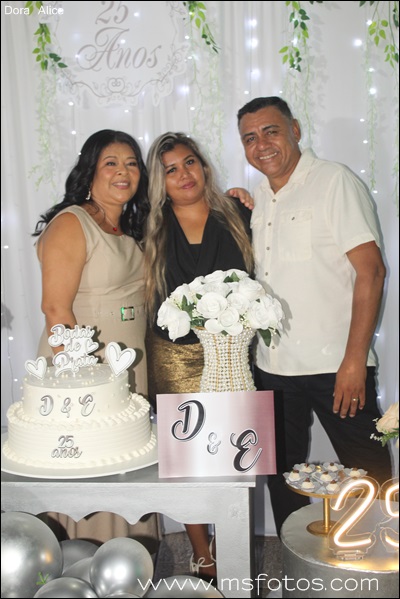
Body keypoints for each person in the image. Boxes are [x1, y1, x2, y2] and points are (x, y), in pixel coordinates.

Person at [236, 96, 393, 536]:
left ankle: (385, 554)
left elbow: (371, 271)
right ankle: (293, 560)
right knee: (281, 474)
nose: (262, 145)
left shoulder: (333, 181)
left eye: (271, 131)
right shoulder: (260, 197)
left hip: (336, 365)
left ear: (295, 130)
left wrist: (354, 361)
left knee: (368, 470)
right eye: (250, 138)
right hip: (272, 366)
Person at [33, 129, 159, 546]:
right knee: (94, 464)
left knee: (125, 459)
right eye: (111, 163)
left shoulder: (129, 228)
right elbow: (56, 310)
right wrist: (86, 386)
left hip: (127, 367)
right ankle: (87, 558)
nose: (124, 172)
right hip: (88, 373)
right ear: (90, 172)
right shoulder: (73, 223)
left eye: (131, 164)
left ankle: (131, 555)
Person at [144, 132, 254, 581]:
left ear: (204, 167)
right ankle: (201, 552)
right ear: (160, 183)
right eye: (170, 170)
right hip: (174, 356)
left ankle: (233, 539)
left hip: (230, 353)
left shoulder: (238, 213)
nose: (183, 174)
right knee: (186, 456)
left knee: (233, 452)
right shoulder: (149, 225)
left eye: (189, 162)